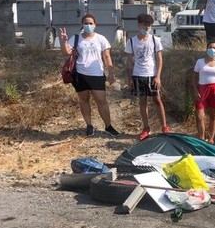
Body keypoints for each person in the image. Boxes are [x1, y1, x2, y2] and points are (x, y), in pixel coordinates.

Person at [59, 14, 119, 137]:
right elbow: (67, 52)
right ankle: (89, 125)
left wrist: (111, 73)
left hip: (96, 74)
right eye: (86, 23)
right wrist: (64, 40)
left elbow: (107, 56)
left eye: (91, 23)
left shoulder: (101, 39)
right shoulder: (76, 38)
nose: (88, 25)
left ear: (95, 25)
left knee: (101, 100)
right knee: (83, 100)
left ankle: (108, 126)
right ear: (82, 24)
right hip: (80, 74)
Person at [125, 13, 170, 141]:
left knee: (157, 100)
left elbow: (159, 59)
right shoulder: (132, 41)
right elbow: (129, 62)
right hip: (138, 75)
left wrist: (158, 76)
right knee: (142, 101)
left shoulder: (155, 40)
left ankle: (164, 127)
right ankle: (146, 128)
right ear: (139, 25)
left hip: (152, 75)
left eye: (149, 25)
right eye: (145, 24)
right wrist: (130, 79)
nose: (147, 27)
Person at [192, 41, 215, 144]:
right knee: (200, 116)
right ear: (207, 49)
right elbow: (193, 78)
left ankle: (211, 139)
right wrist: (195, 90)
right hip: (202, 90)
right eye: (210, 47)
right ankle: (201, 138)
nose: (212, 49)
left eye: (214, 48)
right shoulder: (200, 62)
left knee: (213, 116)